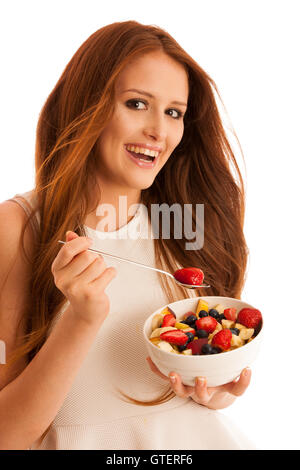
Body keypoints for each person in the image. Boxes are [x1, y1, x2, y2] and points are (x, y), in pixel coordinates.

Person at [0, 21, 254, 450]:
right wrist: (80, 319)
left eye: (174, 112)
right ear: (86, 105)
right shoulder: (20, 227)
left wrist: (213, 390)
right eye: (137, 103)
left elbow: (192, 392)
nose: (159, 131)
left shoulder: (188, 224)